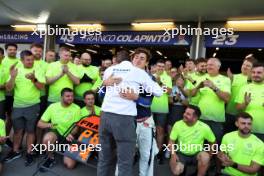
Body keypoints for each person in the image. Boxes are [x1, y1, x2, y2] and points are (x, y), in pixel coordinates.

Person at [97, 50, 163, 176]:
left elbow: (148, 103)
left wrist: (136, 97)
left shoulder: (147, 77)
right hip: (125, 121)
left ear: (146, 63)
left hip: (143, 121)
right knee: (123, 159)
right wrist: (104, 84)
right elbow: (100, 95)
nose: (138, 60)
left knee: (145, 155)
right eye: (136, 57)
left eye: (142, 58)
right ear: (131, 59)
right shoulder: (117, 71)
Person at [4, 50, 45, 166]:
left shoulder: (38, 69)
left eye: (32, 59)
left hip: (33, 106)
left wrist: (34, 79)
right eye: (28, 60)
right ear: (22, 60)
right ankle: (15, 150)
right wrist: (12, 77)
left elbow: (41, 87)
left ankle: (29, 152)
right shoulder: (16, 70)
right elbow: (8, 88)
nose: (31, 62)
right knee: (17, 131)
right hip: (17, 106)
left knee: (31, 131)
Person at [37, 88, 81, 171]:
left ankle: (68, 151)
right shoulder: (53, 106)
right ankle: (51, 158)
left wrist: (71, 134)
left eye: (72, 96)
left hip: (70, 136)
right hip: (56, 134)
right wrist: (49, 125)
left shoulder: (77, 108)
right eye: (67, 96)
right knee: (47, 139)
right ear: (61, 97)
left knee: (70, 165)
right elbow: (40, 123)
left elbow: (76, 126)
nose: (70, 98)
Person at [191, 58, 231, 144]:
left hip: (216, 121)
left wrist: (214, 87)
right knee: (199, 144)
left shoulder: (225, 79)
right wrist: (198, 87)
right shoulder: (201, 78)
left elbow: (227, 98)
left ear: (218, 67)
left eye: (211, 65)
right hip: (201, 118)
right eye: (207, 65)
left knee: (214, 145)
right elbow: (192, 94)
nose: (208, 67)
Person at [169, 105, 216, 176]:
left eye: (188, 114)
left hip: (197, 154)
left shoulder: (204, 127)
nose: (184, 115)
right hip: (181, 154)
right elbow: (171, 141)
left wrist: (209, 155)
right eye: (185, 112)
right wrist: (173, 154)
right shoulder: (178, 124)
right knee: (176, 170)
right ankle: (182, 170)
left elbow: (213, 142)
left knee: (205, 157)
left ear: (195, 118)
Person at [63, 90, 101, 169]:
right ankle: (86, 154)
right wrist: (70, 134)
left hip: (97, 139)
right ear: (84, 100)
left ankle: (94, 153)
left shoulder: (101, 110)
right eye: (88, 99)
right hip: (82, 139)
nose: (90, 101)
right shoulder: (79, 111)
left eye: (92, 99)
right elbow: (75, 128)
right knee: (69, 164)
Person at [225, 56, 257, 133]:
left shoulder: (255, 80)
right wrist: (229, 80)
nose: (245, 67)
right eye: (244, 64)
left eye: (248, 65)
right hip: (230, 113)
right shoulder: (234, 77)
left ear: (253, 68)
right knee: (228, 135)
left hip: (245, 116)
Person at [235, 62, 264, 141]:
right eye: (253, 72)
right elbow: (238, 108)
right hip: (246, 130)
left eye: (259, 72)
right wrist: (245, 103)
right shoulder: (244, 88)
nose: (255, 74)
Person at [151, 59, 172, 164]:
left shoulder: (168, 77)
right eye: (159, 66)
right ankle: (148, 152)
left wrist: (159, 82)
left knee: (160, 131)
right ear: (155, 67)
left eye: (162, 66)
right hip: (148, 108)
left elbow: (168, 91)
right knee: (148, 131)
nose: (160, 68)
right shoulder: (149, 76)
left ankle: (158, 153)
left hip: (162, 108)